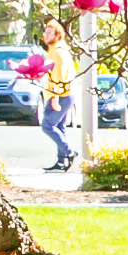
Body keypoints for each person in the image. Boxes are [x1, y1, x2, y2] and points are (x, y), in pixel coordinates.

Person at [37, 20, 79, 172]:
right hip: (65, 94)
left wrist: (54, 98)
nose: (46, 35)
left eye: (50, 33)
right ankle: (62, 161)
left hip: (61, 95)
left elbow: (58, 76)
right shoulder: (56, 50)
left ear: (57, 35)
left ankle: (69, 152)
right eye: (45, 32)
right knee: (59, 127)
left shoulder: (58, 52)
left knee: (47, 125)